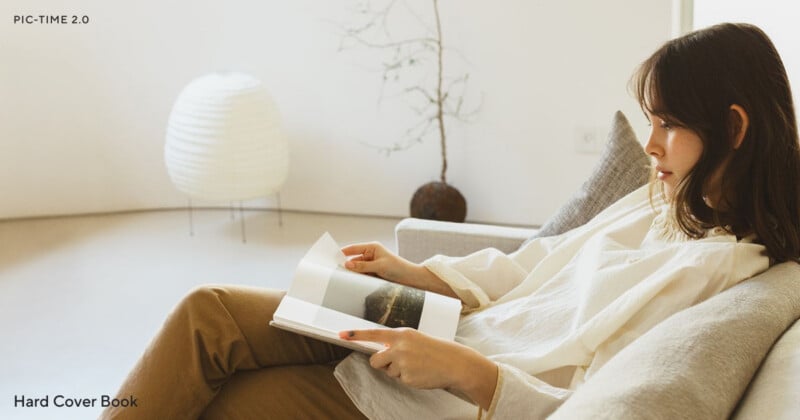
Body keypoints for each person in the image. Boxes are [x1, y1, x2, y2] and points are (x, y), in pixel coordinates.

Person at [102, 22, 800, 420]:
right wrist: (420, 273)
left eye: (670, 125)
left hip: (441, 389)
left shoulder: (722, 274)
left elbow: (586, 399)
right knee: (208, 313)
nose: (650, 146)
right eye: (651, 122)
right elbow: (536, 264)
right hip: (437, 322)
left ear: (734, 128)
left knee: (233, 404)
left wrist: (468, 372)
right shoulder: (671, 205)